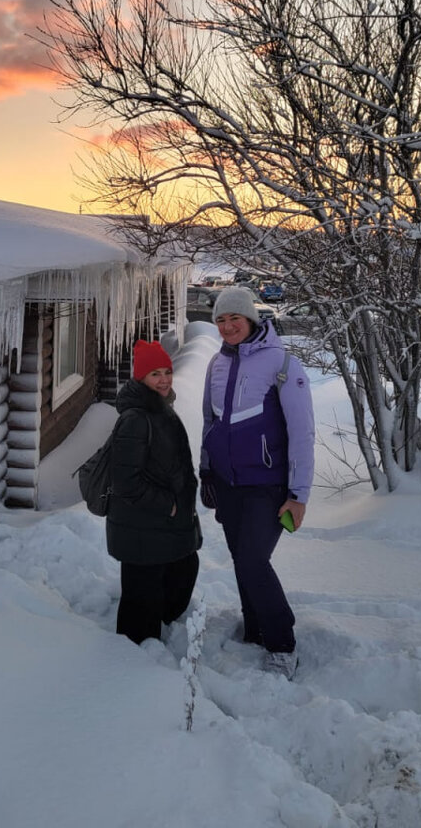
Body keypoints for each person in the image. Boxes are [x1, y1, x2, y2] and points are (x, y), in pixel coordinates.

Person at [199, 286, 315, 677]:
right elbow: (210, 422)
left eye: (234, 318)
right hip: (228, 483)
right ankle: (255, 629)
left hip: (268, 484)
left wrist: (298, 495)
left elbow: (302, 432)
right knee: (241, 559)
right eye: (220, 320)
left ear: (251, 319)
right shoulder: (217, 363)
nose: (228, 326)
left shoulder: (281, 363)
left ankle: (282, 642)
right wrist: (206, 470)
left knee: (252, 559)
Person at [106, 340, 202, 645]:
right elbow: (125, 482)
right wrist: (169, 506)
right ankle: (131, 669)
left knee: (184, 569)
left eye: (167, 372)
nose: (164, 380)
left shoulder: (160, 408)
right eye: (154, 374)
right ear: (140, 378)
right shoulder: (136, 419)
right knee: (140, 609)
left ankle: (156, 637)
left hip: (160, 526)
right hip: (142, 526)